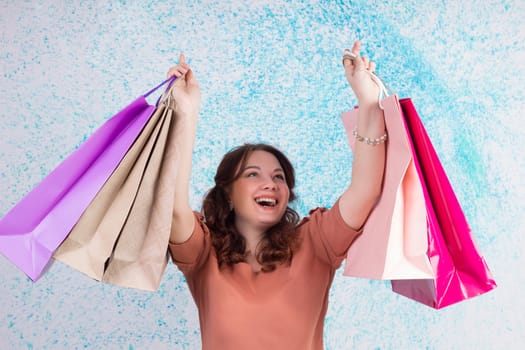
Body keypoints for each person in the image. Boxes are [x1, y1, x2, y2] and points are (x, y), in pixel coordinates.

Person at [165, 40, 386, 350]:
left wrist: (369, 101)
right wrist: (184, 113)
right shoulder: (204, 254)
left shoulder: (316, 243)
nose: (270, 184)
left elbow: (366, 190)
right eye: (252, 174)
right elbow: (171, 209)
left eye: (278, 177)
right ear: (227, 193)